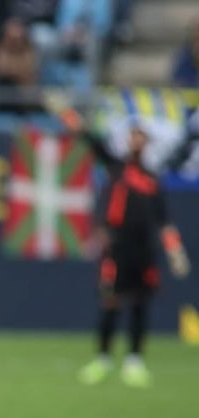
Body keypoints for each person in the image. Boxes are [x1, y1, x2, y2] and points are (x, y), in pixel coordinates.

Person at [61, 109, 191, 388]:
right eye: (133, 136)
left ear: (147, 143)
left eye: (141, 137)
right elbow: (93, 143)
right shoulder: (116, 167)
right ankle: (103, 359)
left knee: (140, 304)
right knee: (110, 302)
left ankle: (134, 360)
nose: (136, 141)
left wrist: (175, 251)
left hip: (143, 249)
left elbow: (163, 220)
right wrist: (72, 117)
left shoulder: (152, 180)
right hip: (117, 247)